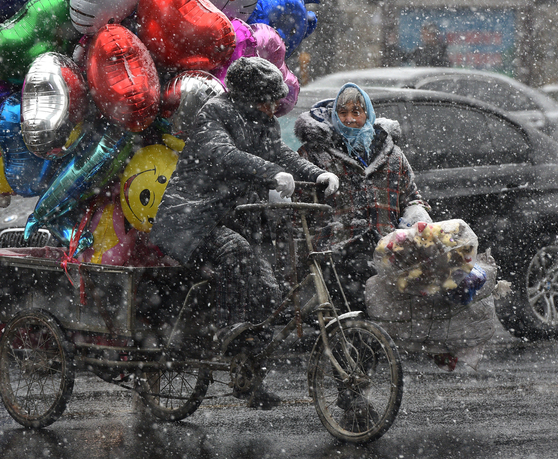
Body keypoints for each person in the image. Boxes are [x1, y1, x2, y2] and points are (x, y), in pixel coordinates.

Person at [149, 56, 339, 409]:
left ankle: (250, 376)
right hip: (192, 219)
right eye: (266, 99)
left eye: (274, 100)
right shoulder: (214, 114)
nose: (272, 107)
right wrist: (269, 173)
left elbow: (282, 153)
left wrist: (315, 174)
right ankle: (225, 330)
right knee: (235, 252)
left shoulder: (262, 122)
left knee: (269, 292)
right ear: (246, 96)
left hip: (235, 218)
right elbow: (222, 154)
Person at [293, 83, 431, 304]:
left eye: (356, 112)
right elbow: (298, 205)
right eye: (343, 113)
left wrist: (417, 216)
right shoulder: (313, 154)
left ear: (368, 115)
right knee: (347, 322)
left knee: (382, 321)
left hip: (387, 253)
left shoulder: (393, 155)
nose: (349, 119)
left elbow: (411, 197)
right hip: (335, 253)